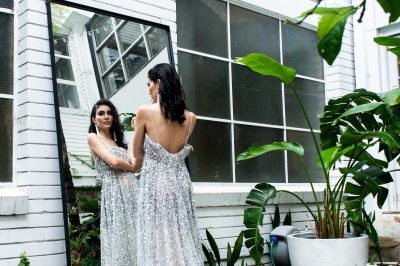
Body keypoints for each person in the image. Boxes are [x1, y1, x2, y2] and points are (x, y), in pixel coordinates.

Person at [132, 63, 203, 265]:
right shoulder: (191, 118)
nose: (148, 90)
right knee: (181, 234)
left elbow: (138, 154)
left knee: (158, 237)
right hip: (179, 182)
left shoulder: (145, 112)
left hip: (155, 182)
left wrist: (138, 129)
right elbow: (179, 151)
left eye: (149, 84)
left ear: (159, 83)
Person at [87, 99, 138, 266]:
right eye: (101, 113)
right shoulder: (93, 138)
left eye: (109, 113)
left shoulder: (121, 144)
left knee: (137, 235)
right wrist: (130, 167)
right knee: (120, 239)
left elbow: (135, 162)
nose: (106, 116)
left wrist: (137, 130)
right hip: (114, 194)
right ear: (94, 119)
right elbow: (114, 162)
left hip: (132, 192)